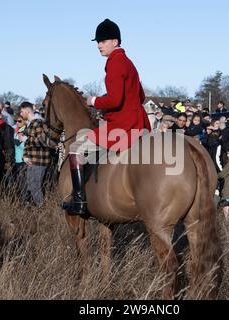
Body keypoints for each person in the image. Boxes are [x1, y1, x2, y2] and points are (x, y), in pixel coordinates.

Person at [61, 18, 151, 215]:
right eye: (98, 42)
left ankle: (79, 202)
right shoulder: (129, 62)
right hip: (139, 122)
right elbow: (141, 96)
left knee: (76, 149)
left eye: (103, 41)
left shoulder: (115, 63)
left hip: (124, 125)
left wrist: (94, 101)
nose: (99, 45)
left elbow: (115, 99)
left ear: (115, 42)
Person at [20, 102, 50, 206]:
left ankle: (42, 210)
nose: (21, 114)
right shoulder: (29, 124)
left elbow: (43, 141)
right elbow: (28, 145)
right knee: (29, 186)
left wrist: (27, 138)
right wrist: (25, 157)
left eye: (22, 111)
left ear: (27, 111)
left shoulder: (38, 123)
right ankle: (33, 210)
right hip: (31, 160)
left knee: (35, 187)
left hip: (39, 160)